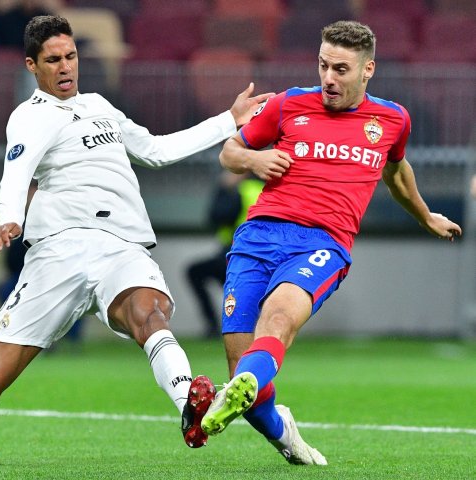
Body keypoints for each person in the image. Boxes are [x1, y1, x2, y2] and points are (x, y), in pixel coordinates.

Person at [0, 14, 273, 464]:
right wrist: (10, 217)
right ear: (32, 65)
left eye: (71, 56)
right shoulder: (29, 117)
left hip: (120, 244)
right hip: (59, 252)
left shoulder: (101, 106)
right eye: (53, 60)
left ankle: (190, 407)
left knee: (150, 314)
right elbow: (17, 172)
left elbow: (156, 151)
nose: (65, 67)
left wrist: (228, 120)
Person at [198, 20, 463, 466]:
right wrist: (255, 158)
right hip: (257, 237)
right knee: (247, 385)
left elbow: (396, 173)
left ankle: (235, 397)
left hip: (322, 244)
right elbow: (229, 152)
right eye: (323, 65)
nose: (329, 78)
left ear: (368, 70)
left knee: (278, 318)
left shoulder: (392, 119)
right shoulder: (288, 105)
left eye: (341, 69)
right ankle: (287, 437)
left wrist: (425, 215)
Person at [186, 171, 263, 338]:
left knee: (196, 272)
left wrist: (224, 189)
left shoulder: (239, 190)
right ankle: (245, 323)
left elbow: (218, 216)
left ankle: (214, 326)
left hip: (239, 253)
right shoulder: (261, 188)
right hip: (259, 255)